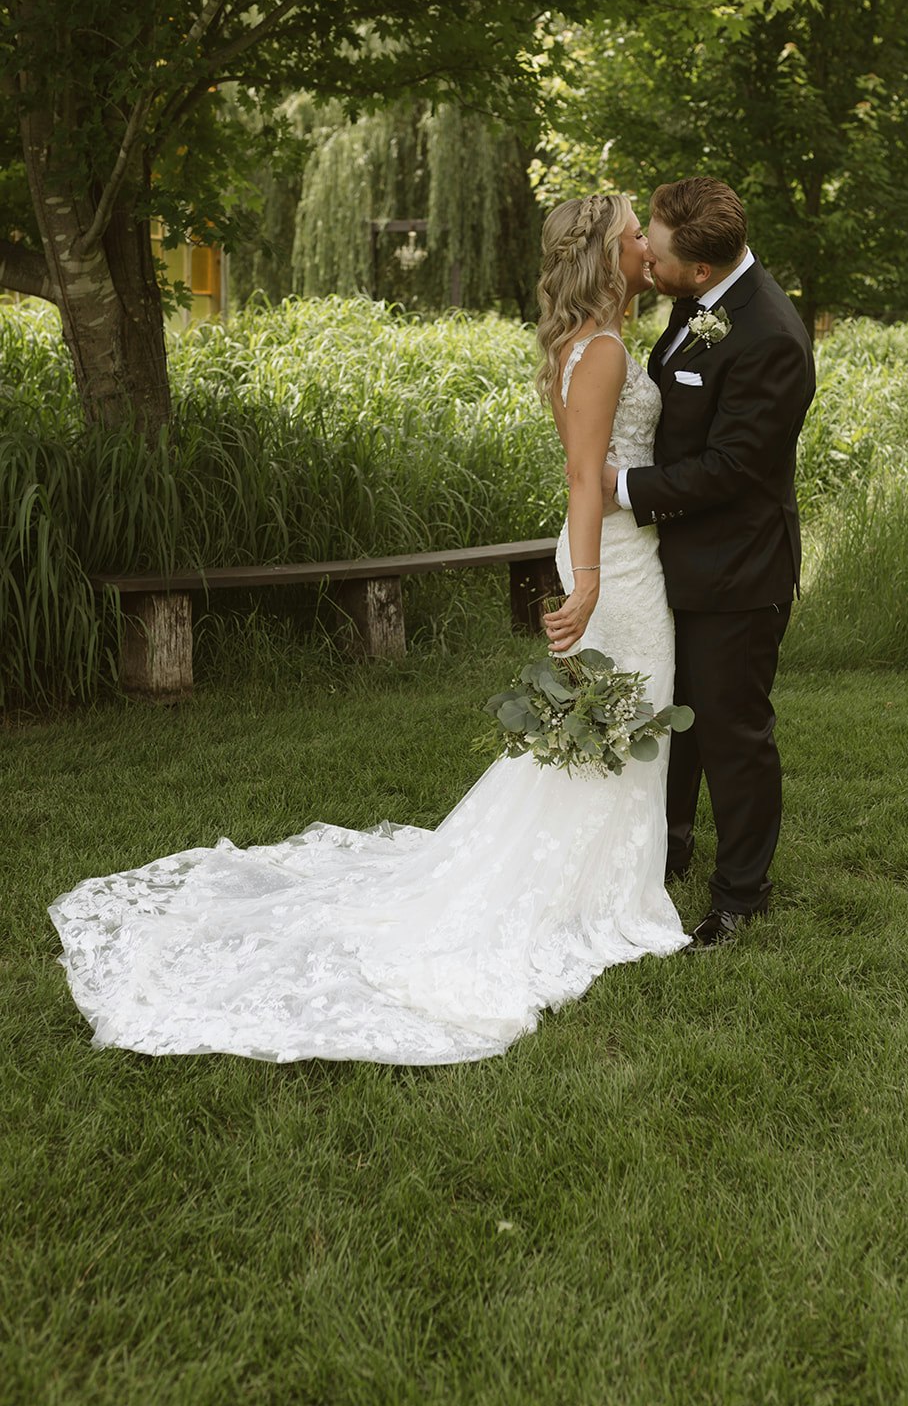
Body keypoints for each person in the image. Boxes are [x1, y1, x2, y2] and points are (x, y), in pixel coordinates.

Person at [49, 193, 688, 1065]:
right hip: (613, 563)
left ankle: (596, 881)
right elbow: (585, 480)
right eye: (633, 235)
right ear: (606, 255)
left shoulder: (590, 341)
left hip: (611, 554)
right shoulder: (604, 350)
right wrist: (585, 587)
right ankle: (591, 897)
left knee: (606, 727)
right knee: (618, 720)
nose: (645, 245)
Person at [591, 177, 815, 948]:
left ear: (699, 268)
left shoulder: (771, 338)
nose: (645, 261)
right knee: (674, 714)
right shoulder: (695, 301)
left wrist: (621, 488)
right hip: (675, 557)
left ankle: (739, 896)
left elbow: (731, 469)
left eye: (655, 254)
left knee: (730, 732)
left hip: (737, 571)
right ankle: (671, 845)